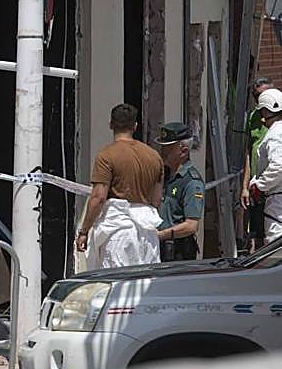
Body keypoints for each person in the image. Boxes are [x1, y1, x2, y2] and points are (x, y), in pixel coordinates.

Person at [76, 104, 164, 269]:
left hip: (118, 232)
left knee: (116, 281)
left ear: (111, 124)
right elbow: (156, 199)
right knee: (146, 280)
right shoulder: (154, 157)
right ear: (135, 126)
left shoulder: (106, 155)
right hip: (147, 233)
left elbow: (98, 197)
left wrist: (84, 231)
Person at [241, 76, 282, 249]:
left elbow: (280, 166)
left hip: (281, 201)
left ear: (265, 112)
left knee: (276, 250)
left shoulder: (275, 135)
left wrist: (259, 186)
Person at [156, 122, 204, 261]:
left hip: (177, 252)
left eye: (168, 148)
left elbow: (191, 225)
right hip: (159, 248)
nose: (162, 152)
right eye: (162, 147)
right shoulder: (164, 175)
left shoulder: (191, 181)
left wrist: (161, 235)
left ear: (183, 151)